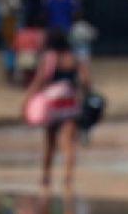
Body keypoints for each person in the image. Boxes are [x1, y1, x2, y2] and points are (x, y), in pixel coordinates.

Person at [23, 28, 89, 190]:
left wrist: (26, 101)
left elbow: (38, 81)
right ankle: (68, 179)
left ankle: (46, 177)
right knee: (68, 143)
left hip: (52, 105)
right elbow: (86, 80)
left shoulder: (49, 59)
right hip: (70, 103)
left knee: (50, 143)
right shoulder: (74, 59)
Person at [0, 0, 25, 86]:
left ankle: (14, 76)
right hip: (9, 22)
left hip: (15, 21)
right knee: (10, 49)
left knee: (17, 49)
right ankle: (9, 77)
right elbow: (6, 9)